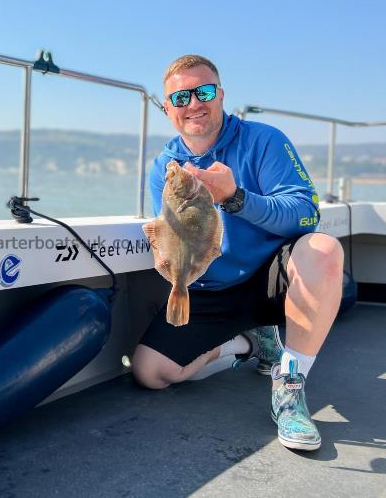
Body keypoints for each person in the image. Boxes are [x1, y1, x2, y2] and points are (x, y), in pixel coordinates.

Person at [134, 54, 344, 451]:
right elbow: (171, 233)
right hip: (212, 286)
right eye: (181, 98)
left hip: (271, 279)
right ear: (167, 109)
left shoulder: (263, 140)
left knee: (323, 249)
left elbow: (306, 214)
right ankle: (249, 344)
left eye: (204, 91)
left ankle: (289, 387)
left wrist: (234, 197)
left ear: (221, 95)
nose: (193, 103)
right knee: (152, 372)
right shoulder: (164, 165)